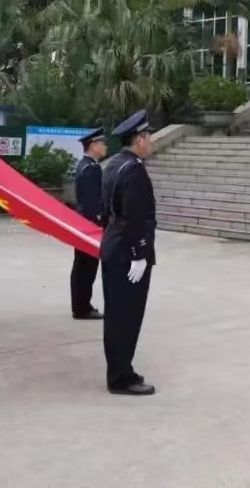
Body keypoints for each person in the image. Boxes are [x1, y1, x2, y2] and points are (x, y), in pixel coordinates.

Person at [100, 110, 158, 396]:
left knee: (115, 314)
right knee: (126, 316)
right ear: (139, 138)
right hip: (127, 250)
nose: (151, 142)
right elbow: (136, 217)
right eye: (148, 137)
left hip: (113, 244)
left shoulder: (114, 164)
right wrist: (140, 254)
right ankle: (121, 377)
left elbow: (107, 210)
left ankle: (119, 369)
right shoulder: (133, 170)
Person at [71, 128, 107, 320]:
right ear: (93, 145)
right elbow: (93, 202)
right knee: (86, 267)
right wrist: (100, 224)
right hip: (89, 224)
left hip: (83, 222)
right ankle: (82, 307)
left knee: (82, 266)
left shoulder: (87, 165)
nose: (105, 146)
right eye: (102, 143)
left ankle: (80, 305)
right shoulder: (90, 169)